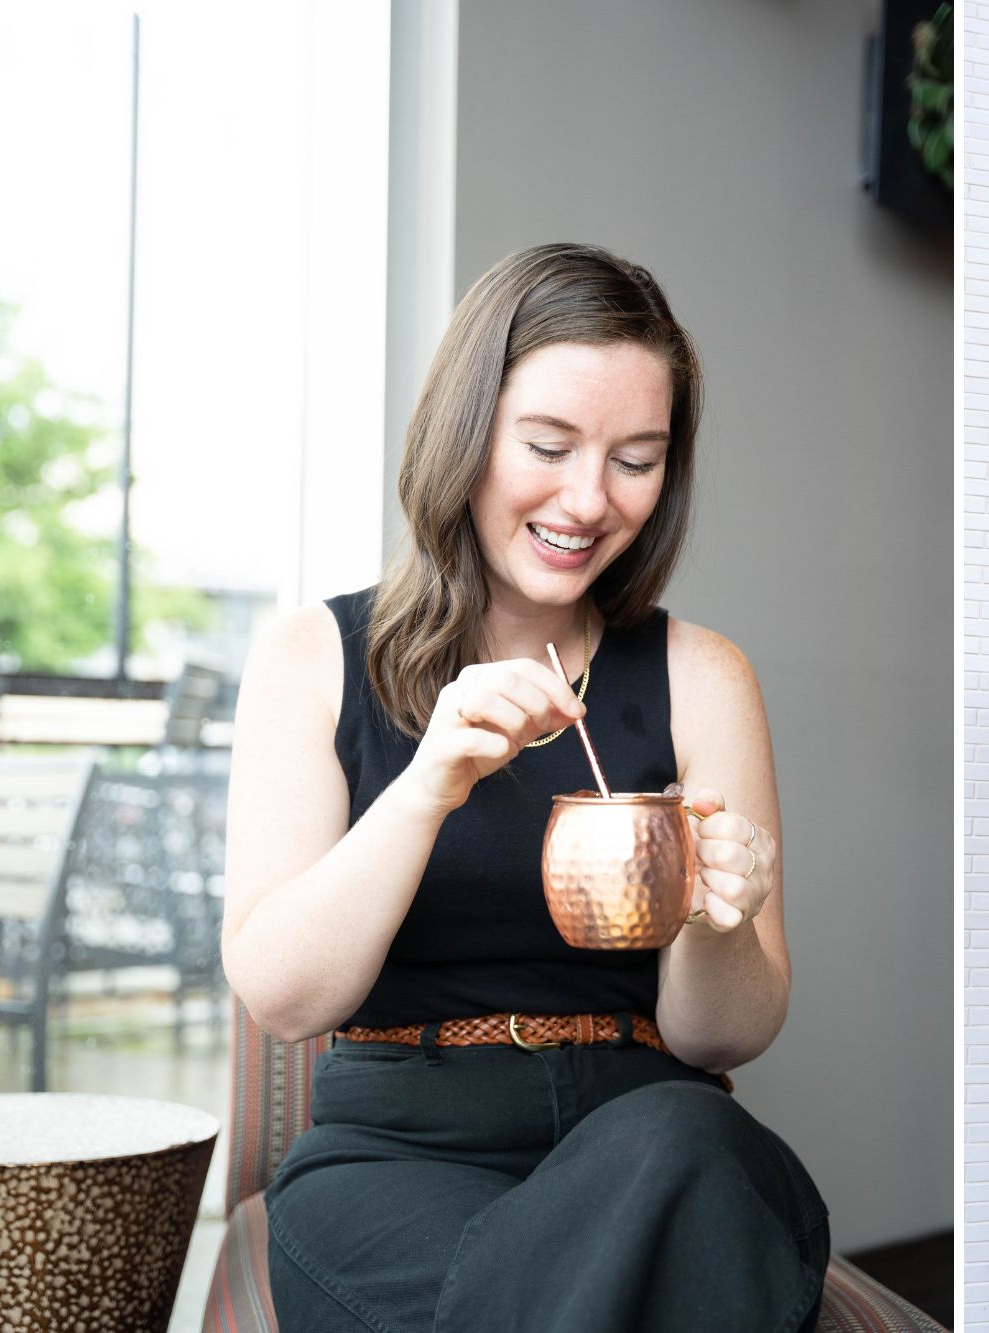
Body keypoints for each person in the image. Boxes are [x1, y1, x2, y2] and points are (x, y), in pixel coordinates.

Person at [220, 243, 829, 1331]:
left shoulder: (701, 674)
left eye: (636, 459)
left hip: (645, 1138)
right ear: (465, 433)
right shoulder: (313, 659)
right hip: (396, 1155)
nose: (589, 499)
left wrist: (717, 919)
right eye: (548, 445)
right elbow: (283, 997)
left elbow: (720, 1038)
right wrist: (425, 788)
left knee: (688, 1143)